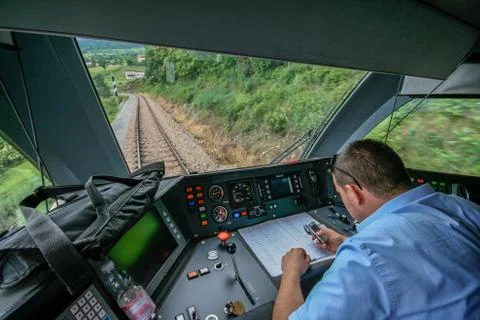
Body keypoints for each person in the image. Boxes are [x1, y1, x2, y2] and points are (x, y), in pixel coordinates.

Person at [272, 139, 480, 320]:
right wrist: (345, 242)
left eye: (340, 193)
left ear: (353, 193)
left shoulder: (363, 256)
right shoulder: (464, 207)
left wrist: (290, 272)